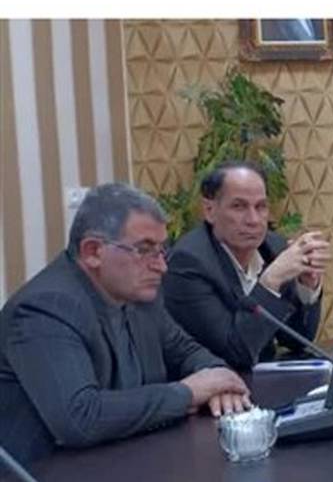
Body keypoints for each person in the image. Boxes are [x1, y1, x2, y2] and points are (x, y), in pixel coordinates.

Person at [0, 183, 251, 465]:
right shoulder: (45, 308)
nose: (161, 266)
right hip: (45, 478)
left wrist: (218, 379)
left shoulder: (138, 296)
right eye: (145, 249)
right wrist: (188, 393)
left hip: (129, 460)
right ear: (93, 251)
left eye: (161, 250)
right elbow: (82, 417)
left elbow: (187, 351)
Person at [163, 161, 329, 372]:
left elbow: (296, 340)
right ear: (209, 210)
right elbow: (235, 353)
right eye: (239, 207)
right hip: (214, 385)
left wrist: (306, 287)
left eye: (261, 207)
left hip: (263, 380)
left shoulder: (273, 247)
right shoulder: (188, 263)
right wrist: (270, 281)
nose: (253, 220)